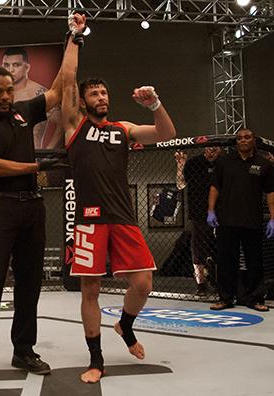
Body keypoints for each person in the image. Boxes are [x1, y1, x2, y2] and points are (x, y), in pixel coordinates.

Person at [0, 15, 81, 390]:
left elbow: (61, 88)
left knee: (30, 283)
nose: (6, 97)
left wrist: (74, 39)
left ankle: (23, 349)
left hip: (32, 206)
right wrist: (36, 163)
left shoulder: (23, 112)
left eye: (10, 91)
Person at [60, 12, 176, 384]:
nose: (102, 97)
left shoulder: (122, 130)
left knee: (142, 283)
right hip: (89, 220)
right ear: (83, 100)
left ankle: (125, 326)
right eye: (94, 93)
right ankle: (96, 359)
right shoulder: (74, 125)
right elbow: (66, 82)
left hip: (123, 217)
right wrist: (74, 37)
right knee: (90, 290)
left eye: (104, 92)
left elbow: (164, 133)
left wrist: (155, 104)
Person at [207, 129, 274, 312]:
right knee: (226, 261)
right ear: (236, 142)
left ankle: (255, 299)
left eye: (247, 137)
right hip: (226, 221)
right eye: (239, 138)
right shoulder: (224, 162)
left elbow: (270, 192)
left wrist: (273, 218)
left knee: (255, 261)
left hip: (252, 220)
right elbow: (215, 187)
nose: (243, 140)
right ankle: (226, 298)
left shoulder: (264, 164)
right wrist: (211, 211)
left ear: (254, 140)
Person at [175, 147, 221, 295]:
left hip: (223, 213)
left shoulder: (224, 163)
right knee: (198, 251)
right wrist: (181, 165)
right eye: (208, 148)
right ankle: (201, 284)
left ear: (220, 149)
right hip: (198, 213)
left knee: (223, 249)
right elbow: (180, 184)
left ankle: (223, 282)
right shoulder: (195, 163)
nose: (211, 151)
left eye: (215, 148)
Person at [1, 47, 63, 149]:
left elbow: (62, 123)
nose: (10, 70)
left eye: (16, 65)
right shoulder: (0, 96)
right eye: (6, 65)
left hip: (33, 158)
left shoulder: (39, 93)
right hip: (4, 159)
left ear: (27, 67)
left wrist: (47, 153)